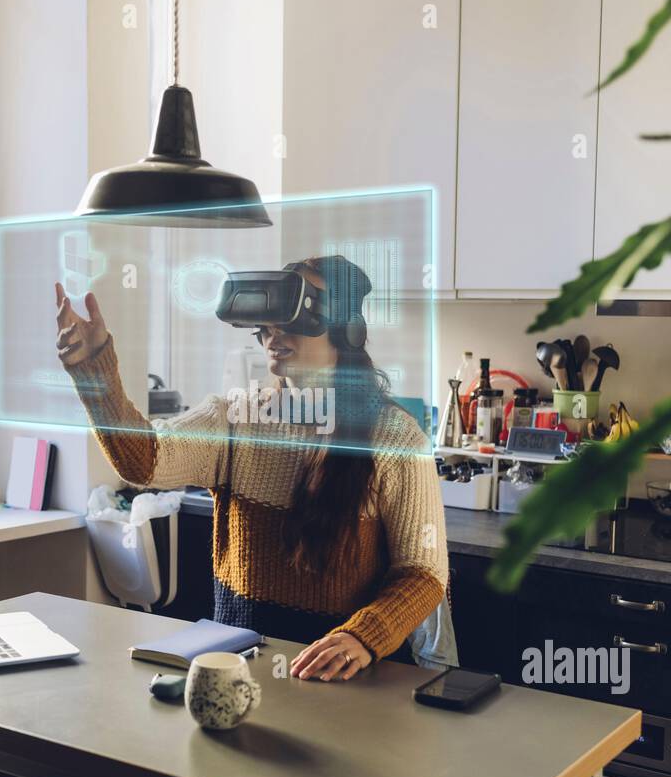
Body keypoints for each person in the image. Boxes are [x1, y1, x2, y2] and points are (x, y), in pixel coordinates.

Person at [56, 254, 447, 681]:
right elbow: (142, 461)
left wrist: (363, 636)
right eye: (269, 322)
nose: (273, 334)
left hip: (340, 680)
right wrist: (94, 371)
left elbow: (423, 574)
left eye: (292, 318)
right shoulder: (236, 417)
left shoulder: (397, 439)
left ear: (346, 330)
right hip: (240, 672)